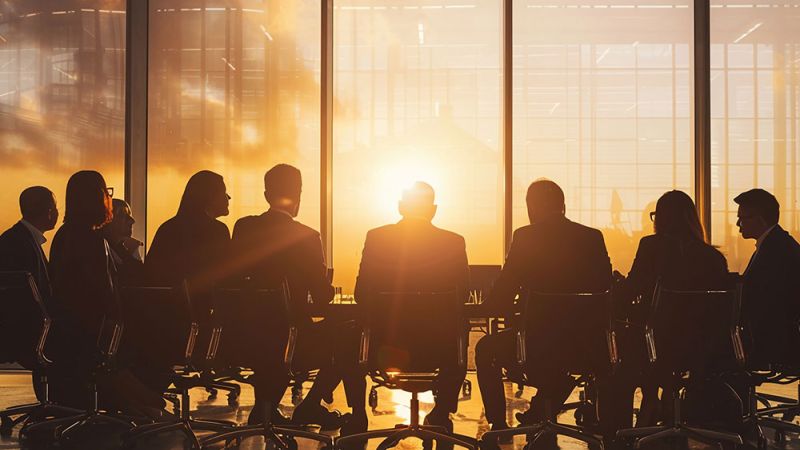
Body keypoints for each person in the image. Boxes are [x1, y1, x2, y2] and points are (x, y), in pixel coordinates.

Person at [475, 179, 611, 446]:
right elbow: (606, 289)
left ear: (531, 207)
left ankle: (499, 424)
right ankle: (542, 409)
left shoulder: (526, 237)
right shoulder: (592, 237)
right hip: (585, 346)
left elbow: (503, 293)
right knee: (560, 361)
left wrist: (487, 305)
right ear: (563, 205)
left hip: (534, 344)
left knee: (485, 349)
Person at [230, 164, 362, 428]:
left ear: (267, 195)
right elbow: (323, 297)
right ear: (299, 195)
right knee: (348, 337)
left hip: (241, 338)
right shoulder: (307, 237)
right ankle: (310, 407)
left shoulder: (243, 228)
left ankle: (264, 410)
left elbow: (233, 282)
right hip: (291, 342)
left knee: (268, 342)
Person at [354, 181, 470, 438]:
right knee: (461, 328)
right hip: (438, 351)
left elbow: (361, 294)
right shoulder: (453, 242)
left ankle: (357, 416)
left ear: (400, 207)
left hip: (385, 349)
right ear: (434, 210)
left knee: (345, 338)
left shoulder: (377, 238)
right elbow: (462, 296)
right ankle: (441, 412)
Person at [611, 190, 729, 432]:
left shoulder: (651, 247)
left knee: (616, 367)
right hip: (702, 347)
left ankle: (619, 432)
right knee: (660, 345)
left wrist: (617, 291)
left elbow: (631, 291)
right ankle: (658, 400)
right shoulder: (714, 258)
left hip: (654, 344)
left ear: (661, 218)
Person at [49, 171, 164, 415]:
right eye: (106, 193)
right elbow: (105, 295)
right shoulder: (92, 240)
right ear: (98, 197)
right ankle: (130, 396)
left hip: (71, 331)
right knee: (147, 333)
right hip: (92, 334)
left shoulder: (64, 235)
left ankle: (128, 399)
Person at [0, 186, 59, 400]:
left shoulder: (14, 239)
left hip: (18, 330)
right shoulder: (22, 244)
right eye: (55, 206)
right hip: (30, 332)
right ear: (49, 211)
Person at [734, 189, 800, 365]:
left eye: (743, 218)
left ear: (759, 218)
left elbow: (758, 298)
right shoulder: (778, 244)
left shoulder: (775, 252)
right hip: (779, 336)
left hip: (772, 341)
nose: (738, 223)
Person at [145, 170, 231, 292]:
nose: (228, 197)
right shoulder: (218, 231)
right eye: (224, 192)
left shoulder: (167, 228)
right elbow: (226, 276)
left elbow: (150, 274)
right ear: (210, 196)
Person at [103, 199, 144, 285]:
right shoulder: (101, 253)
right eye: (122, 215)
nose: (132, 221)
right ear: (108, 219)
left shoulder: (124, 251)